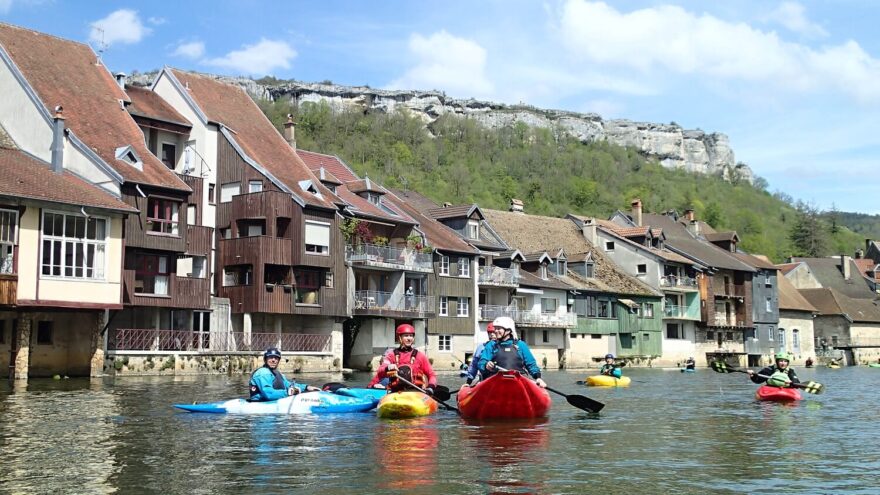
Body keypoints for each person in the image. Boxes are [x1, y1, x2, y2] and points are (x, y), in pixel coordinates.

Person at [478, 316, 547, 388]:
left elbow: (531, 364)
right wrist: (486, 365)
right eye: (495, 328)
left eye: (499, 329)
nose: (496, 331)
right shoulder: (491, 345)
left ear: (508, 330)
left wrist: (538, 377)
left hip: (518, 383)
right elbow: (481, 363)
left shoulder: (520, 345)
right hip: (496, 383)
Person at [369, 323, 438, 395]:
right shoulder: (391, 355)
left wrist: (430, 387)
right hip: (396, 392)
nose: (409, 338)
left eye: (411, 336)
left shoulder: (420, 356)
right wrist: (387, 368)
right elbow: (380, 371)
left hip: (416, 392)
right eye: (406, 336)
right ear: (399, 338)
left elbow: (431, 375)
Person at [249, 348, 318, 401]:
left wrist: (306, 387)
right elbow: (269, 394)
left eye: (276, 358)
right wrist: (288, 393)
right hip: (260, 404)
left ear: (278, 360)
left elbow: (288, 385)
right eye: (270, 357)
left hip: (273, 402)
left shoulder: (277, 373)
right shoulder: (263, 373)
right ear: (265, 360)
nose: (273, 360)